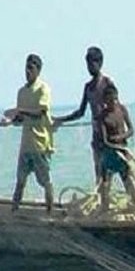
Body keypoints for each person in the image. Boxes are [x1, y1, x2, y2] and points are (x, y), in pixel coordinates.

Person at [0, 54, 55, 212]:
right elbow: (20, 119)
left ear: (38, 70)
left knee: (45, 181)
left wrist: (19, 111)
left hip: (40, 144)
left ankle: (50, 212)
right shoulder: (22, 92)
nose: (27, 72)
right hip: (26, 145)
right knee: (20, 181)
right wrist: (9, 122)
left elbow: (40, 112)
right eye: (26, 68)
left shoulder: (43, 89)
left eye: (31, 68)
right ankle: (14, 211)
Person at [53, 46, 116, 181]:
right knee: (100, 174)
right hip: (97, 137)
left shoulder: (107, 83)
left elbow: (116, 108)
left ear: (99, 63)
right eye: (87, 64)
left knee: (114, 171)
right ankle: (102, 199)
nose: (89, 67)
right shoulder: (88, 87)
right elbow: (81, 112)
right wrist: (60, 119)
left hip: (110, 135)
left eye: (91, 63)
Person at [98, 84, 135, 212]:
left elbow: (131, 130)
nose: (113, 102)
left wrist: (121, 137)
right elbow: (105, 139)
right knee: (106, 182)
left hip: (122, 151)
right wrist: (113, 143)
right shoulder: (103, 116)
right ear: (105, 101)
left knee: (126, 178)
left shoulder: (122, 109)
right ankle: (105, 207)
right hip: (109, 153)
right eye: (110, 100)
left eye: (115, 99)